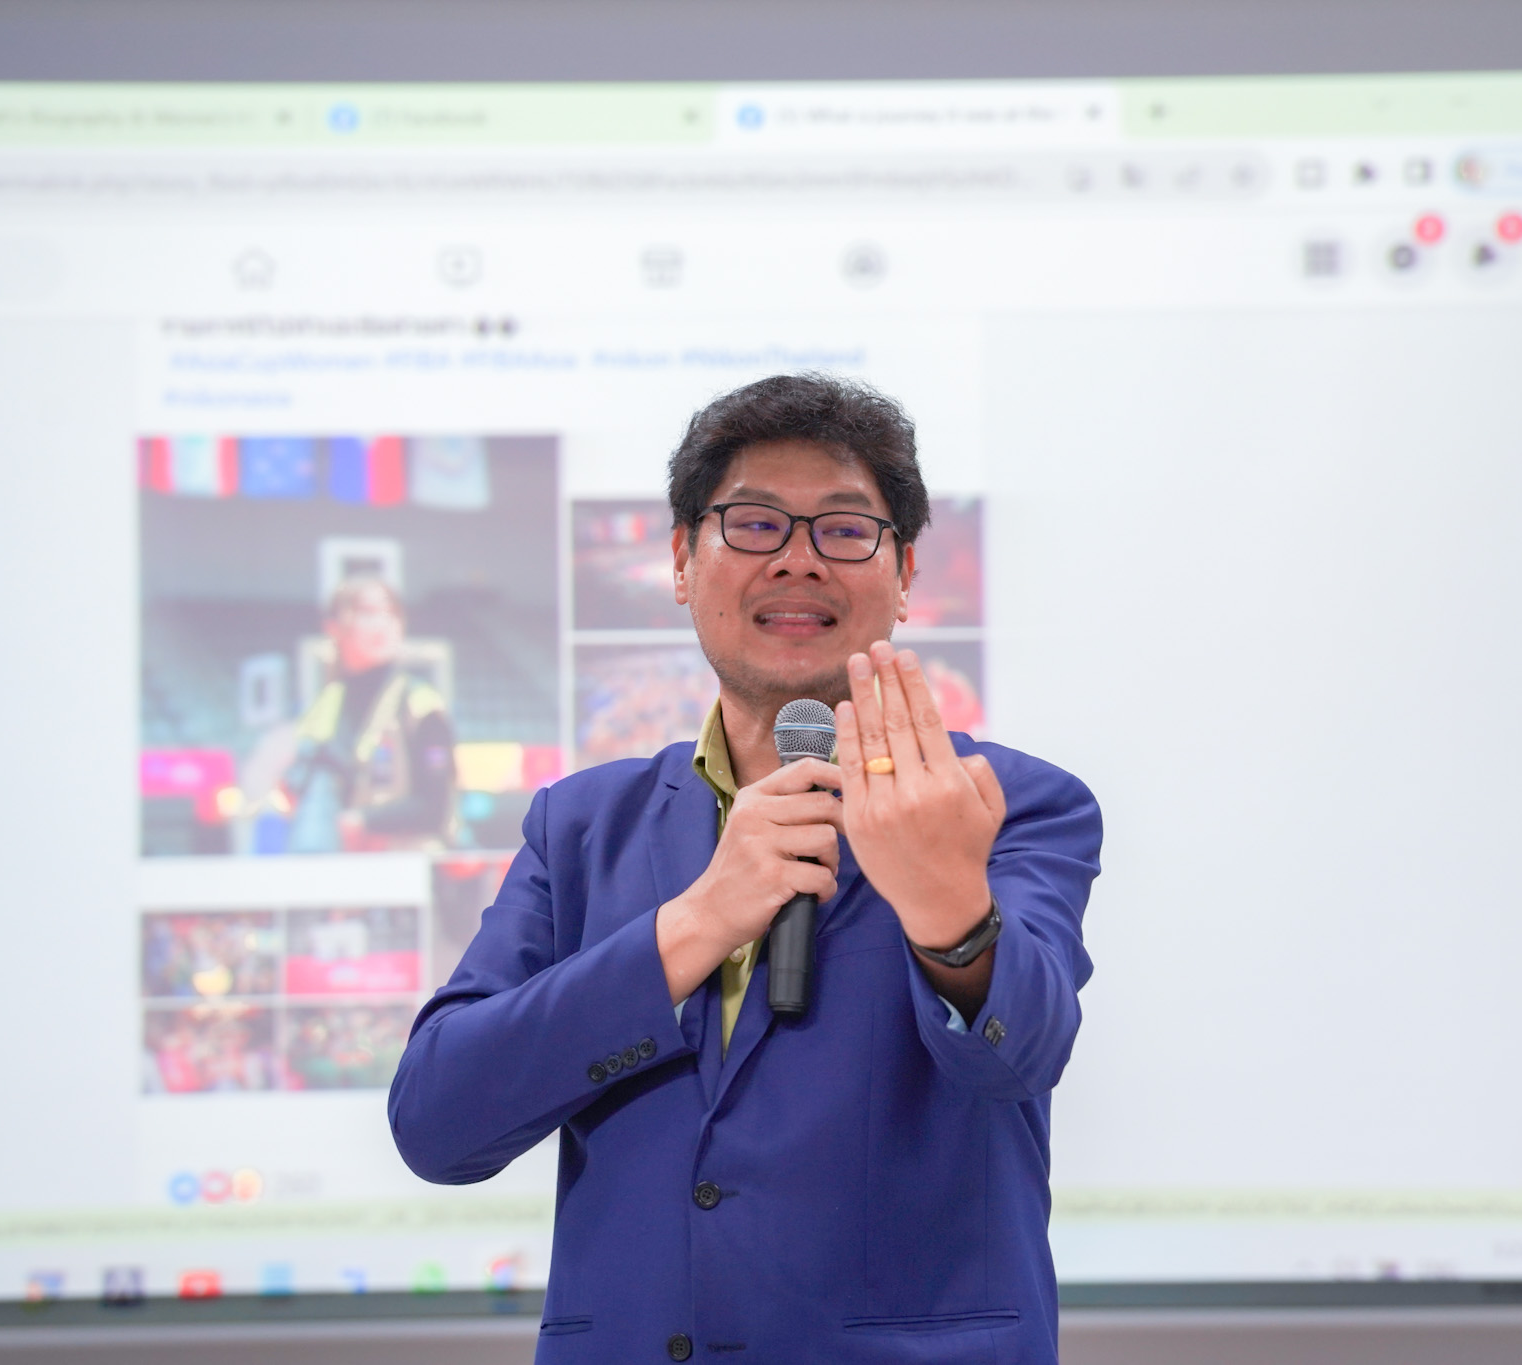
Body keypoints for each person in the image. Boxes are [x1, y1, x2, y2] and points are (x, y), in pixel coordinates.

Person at [389, 374, 1101, 1364]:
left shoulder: (1007, 804)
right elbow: (437, 1124)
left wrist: (947, 907)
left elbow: (1020, 1058)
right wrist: (694, 924)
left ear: (903, 573)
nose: (798, 560)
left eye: (844, 530)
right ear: (683, 560)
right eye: (756, 524)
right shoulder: (580, 826)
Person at [280, 576, 456, 852]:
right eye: (368, 613)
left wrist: (365, 821)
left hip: (410, 865)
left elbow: (436, 808)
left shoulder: (420, 705)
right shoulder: (325, 706)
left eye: (392, 613)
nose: (383, 623)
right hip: (343, 866)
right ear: (333, 627)